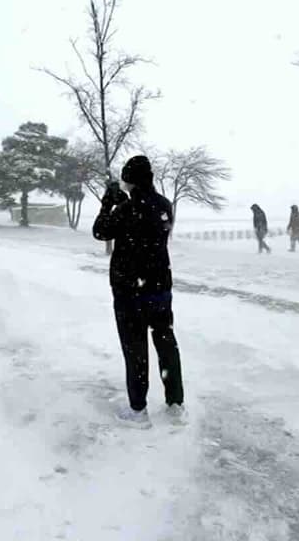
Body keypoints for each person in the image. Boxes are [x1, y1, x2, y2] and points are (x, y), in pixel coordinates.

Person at [92, 155, 185, 427]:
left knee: (135, 349)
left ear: (130, 180)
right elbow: (148, 224)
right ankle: (175, 404)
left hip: (130, 290)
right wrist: (124, 203)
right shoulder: (164, 205)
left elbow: (101, 232)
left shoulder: (124, 210)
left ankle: (138, 410)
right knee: (166, 342)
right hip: (159, 288)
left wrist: (108, 202)